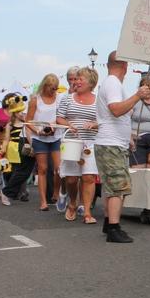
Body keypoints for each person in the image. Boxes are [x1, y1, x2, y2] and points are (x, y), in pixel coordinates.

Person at [94, 51, 150, 242]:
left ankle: (110, 222)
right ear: (125, 66)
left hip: (113, 142)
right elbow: (116, 110)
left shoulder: (112, 83)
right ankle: (113, 228)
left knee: (114, 186)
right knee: (118, 187)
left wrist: (128, 136)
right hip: (110, 142)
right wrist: (137, 95)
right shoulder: (112, 83)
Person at [56, 67, 100, 222]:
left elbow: (104, 120)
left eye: (81, 79)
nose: (77, 81)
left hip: (90, 143)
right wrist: (69, 124)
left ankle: (87, 212)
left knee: (88, 177)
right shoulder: (67, 99)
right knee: (72, 179)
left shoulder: (98, 100)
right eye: (77, 79)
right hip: (71, 141)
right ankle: (72, 203)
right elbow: (59, 118)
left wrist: (95, 124)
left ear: (91, 83)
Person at [26, 74, 63, 211]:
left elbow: (62, 117)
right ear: (45, 86)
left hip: (56, 136)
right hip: (39, 137)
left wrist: (54, 125)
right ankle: (43, 201)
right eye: (51, 88)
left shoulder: (59, 98)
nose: (53, 91)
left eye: (55, 88)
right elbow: (28, 121)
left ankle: (55, 193)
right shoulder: (35, 100)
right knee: (42, 169)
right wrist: (38, 131)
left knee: (59, 169)